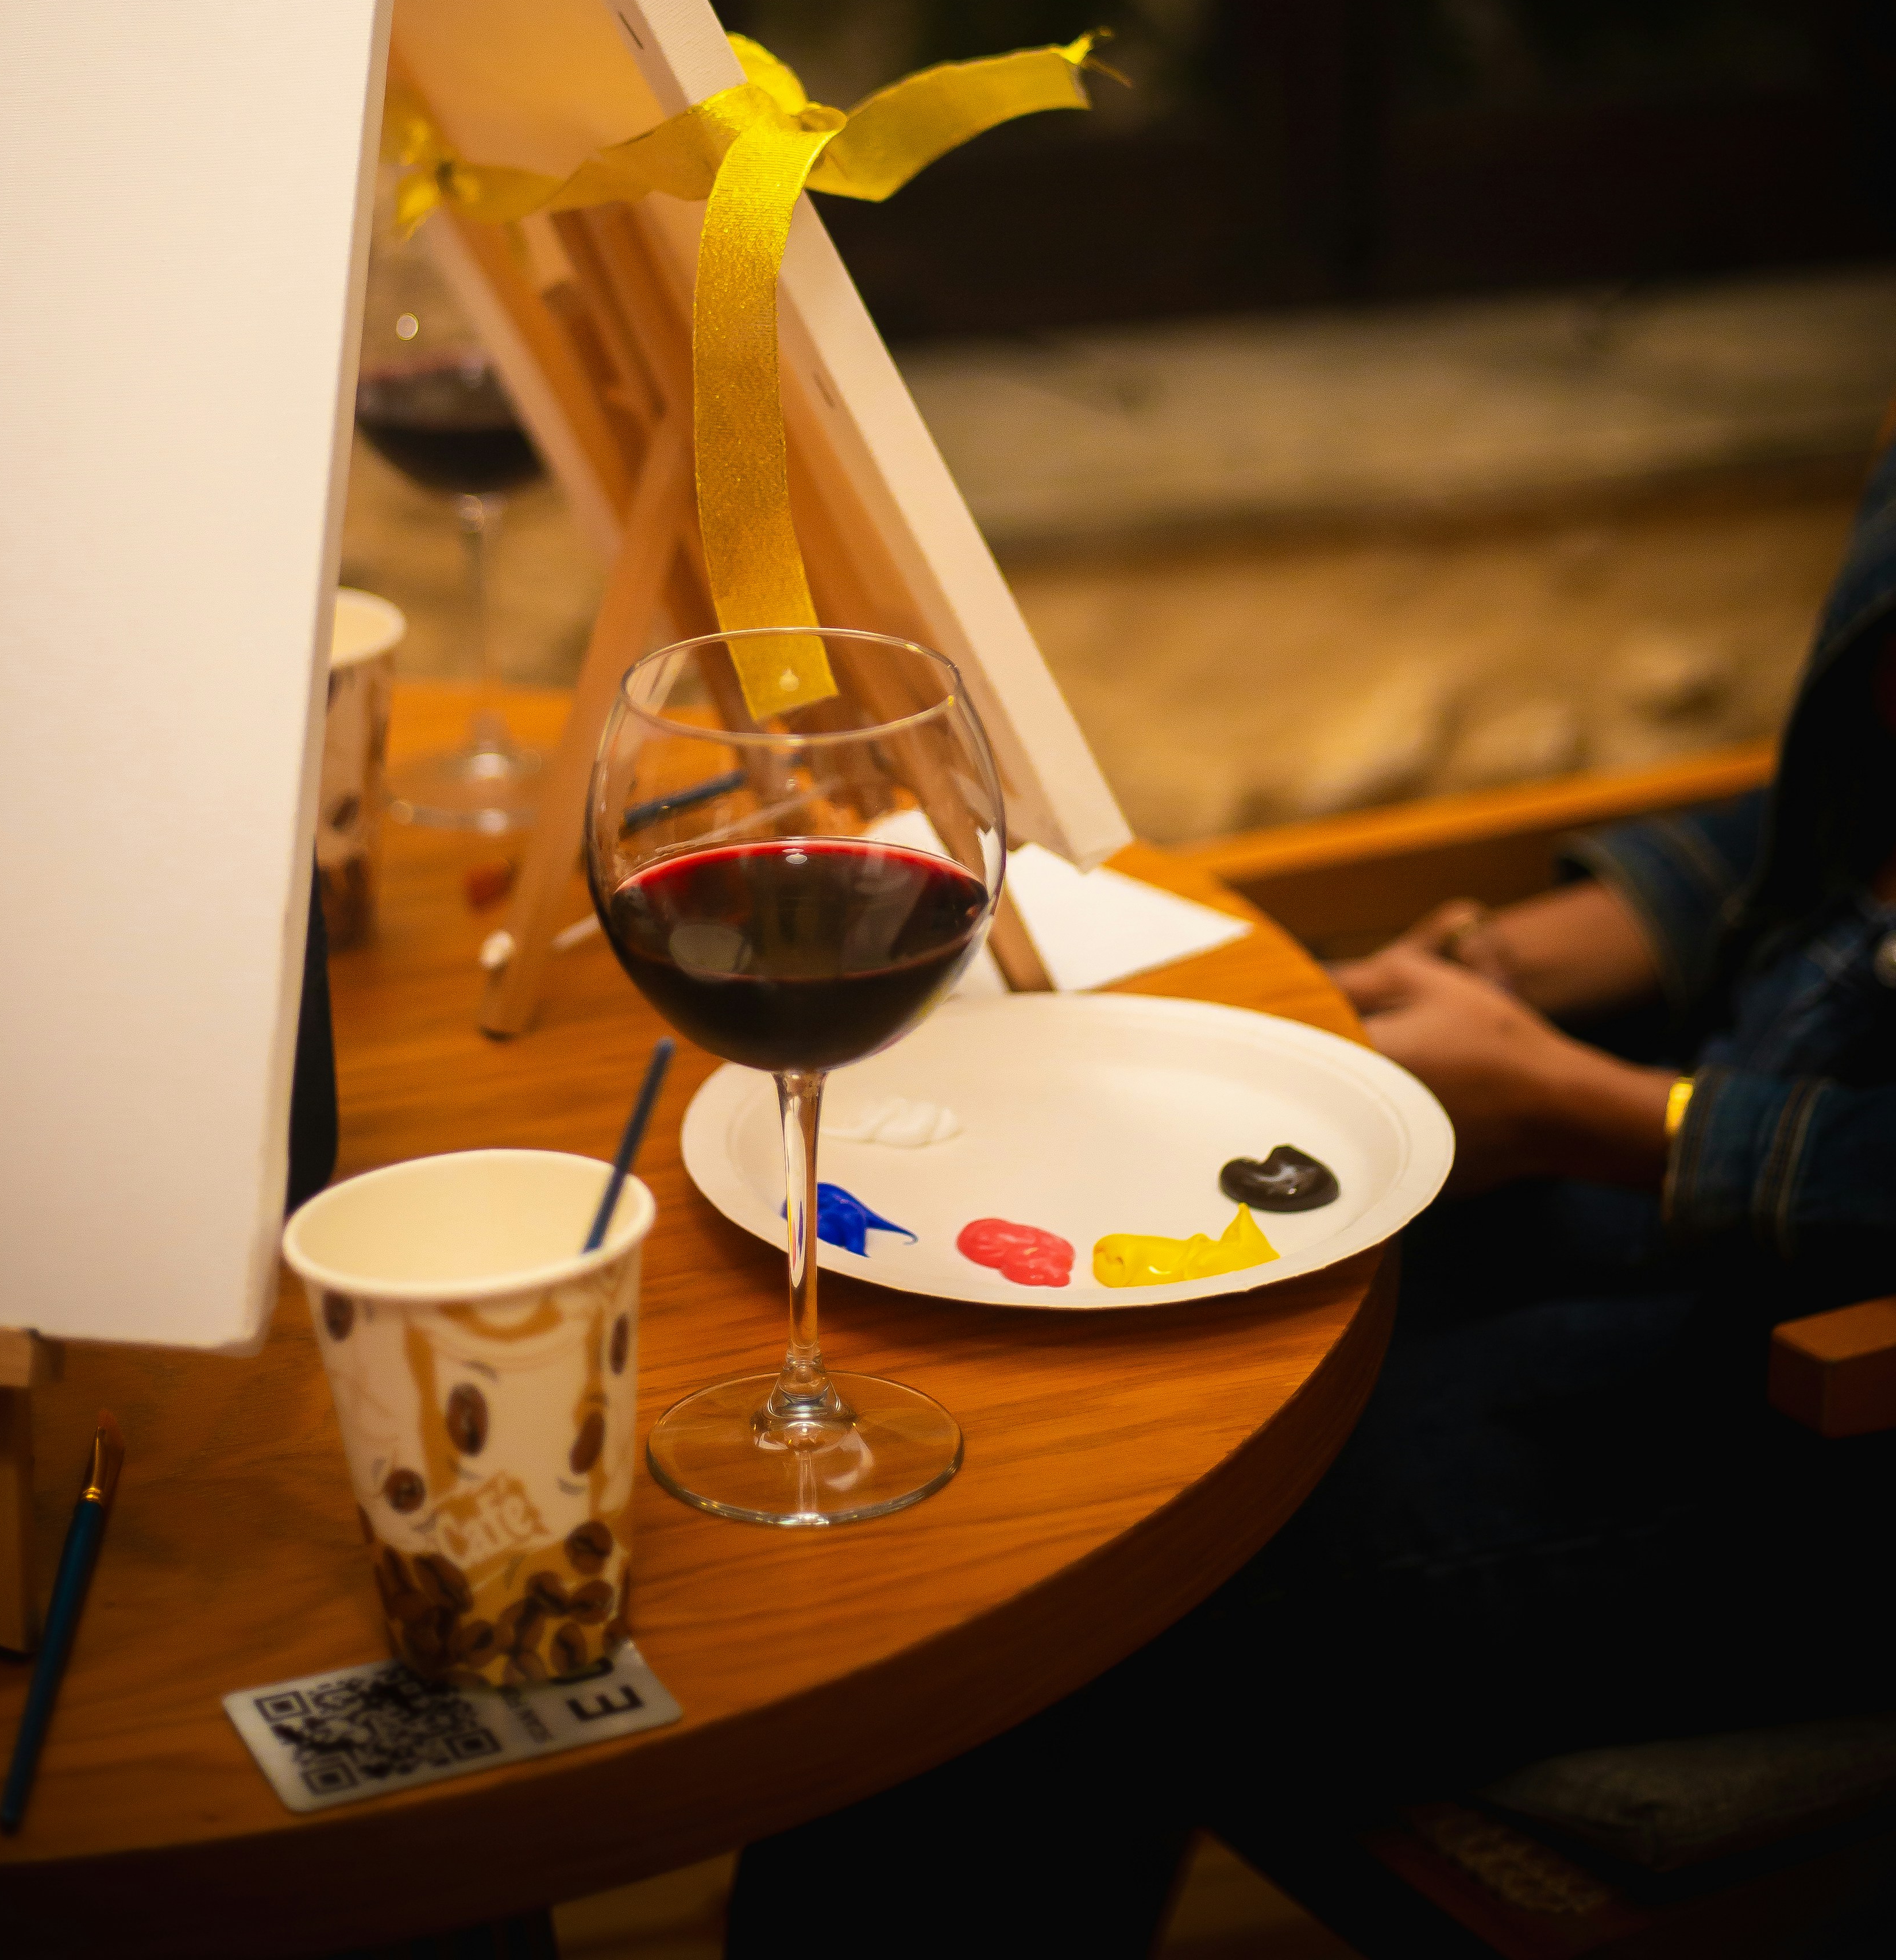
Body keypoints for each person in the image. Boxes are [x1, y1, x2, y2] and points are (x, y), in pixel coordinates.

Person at [726, 437, 1896, 1956]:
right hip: (1705, 1146)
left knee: (1040, 1603)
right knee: (1039, 1430)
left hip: (1823, 1395)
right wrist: (1561, 950)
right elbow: (1845, 812)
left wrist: (1608, 1116)